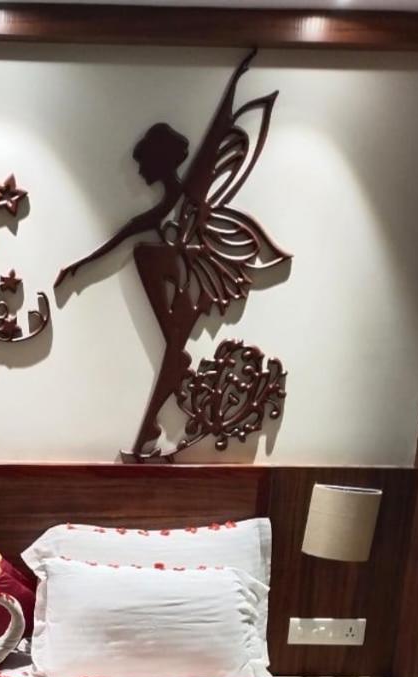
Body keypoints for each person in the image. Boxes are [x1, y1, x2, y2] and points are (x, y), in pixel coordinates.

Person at [56, 52, 289, 459]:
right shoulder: (169, 207)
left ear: (158, 162)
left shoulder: (189, 196)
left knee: (169, 341)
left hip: (195, 277)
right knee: (171, 349)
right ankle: (150, 433)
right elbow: (127, 233)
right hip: (182, 278)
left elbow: (216, 136)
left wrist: (236, 82)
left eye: (142, 164)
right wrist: (77, 269)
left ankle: (148, 436)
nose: (139, 173)